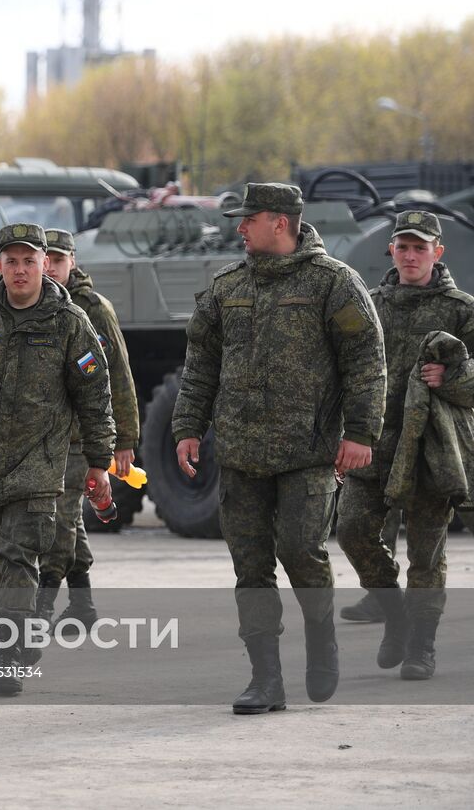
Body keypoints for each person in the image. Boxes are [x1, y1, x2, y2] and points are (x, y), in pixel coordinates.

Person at [173, 182, 386, 715]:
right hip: (240, 454)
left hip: (307, 453)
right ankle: (265, 679)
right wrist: (188, 427)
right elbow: (200, 365)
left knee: (300, 552)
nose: (241, 228)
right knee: (250, 568)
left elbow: (366, 362)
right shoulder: (226, 286)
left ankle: (321, 636)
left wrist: (361, 433)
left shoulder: (333, 283)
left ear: (281, 222)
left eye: (250, 219)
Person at [0, 223, 115, 697]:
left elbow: (95, 396)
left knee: (19, 557)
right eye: (11, 261)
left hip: (39, 468)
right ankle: (23, 629)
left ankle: (6, 653)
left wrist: (100, 460)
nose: (20, 270)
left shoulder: (69, 322)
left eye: (29, 261)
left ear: (44, 264)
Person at [337, 211, 474, 679]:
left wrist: (452, 376)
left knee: (425, 554)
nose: (411, 255)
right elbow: (340, 367)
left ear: (438, 252)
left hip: (430, 451)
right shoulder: (368, 305)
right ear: (391, 251)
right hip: (372, 445)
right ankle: (393, 612)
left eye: (420, 247)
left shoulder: (462, 310)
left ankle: (421, 645)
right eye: (403, 247)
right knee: (352, 530)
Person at [37, 228, 140, 634]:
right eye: (45, 261)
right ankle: (83, 605)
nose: (50, 269)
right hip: (42, 437)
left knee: (58, 522)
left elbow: (119, 375)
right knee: (69, 523)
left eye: (58, 261)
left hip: (81, 437)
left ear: (73, 262)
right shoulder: (31, 305)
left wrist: (124, 441)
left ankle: (41, 609)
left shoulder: (93, 309)